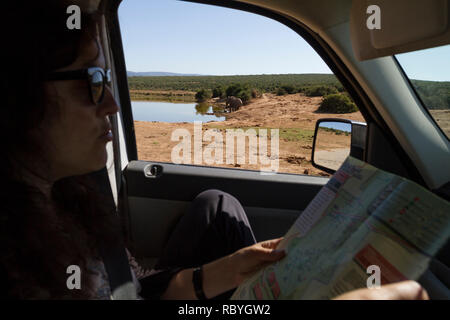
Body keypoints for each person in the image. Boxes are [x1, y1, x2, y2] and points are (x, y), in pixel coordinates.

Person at [0, 2, 429, 300]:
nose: (111, 104)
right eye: (92, 82)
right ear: (19, 94)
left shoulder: (64, 201)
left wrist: (215, 275)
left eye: (108, 81)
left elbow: (130, 289)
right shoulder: (18, 263)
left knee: (217, 204)